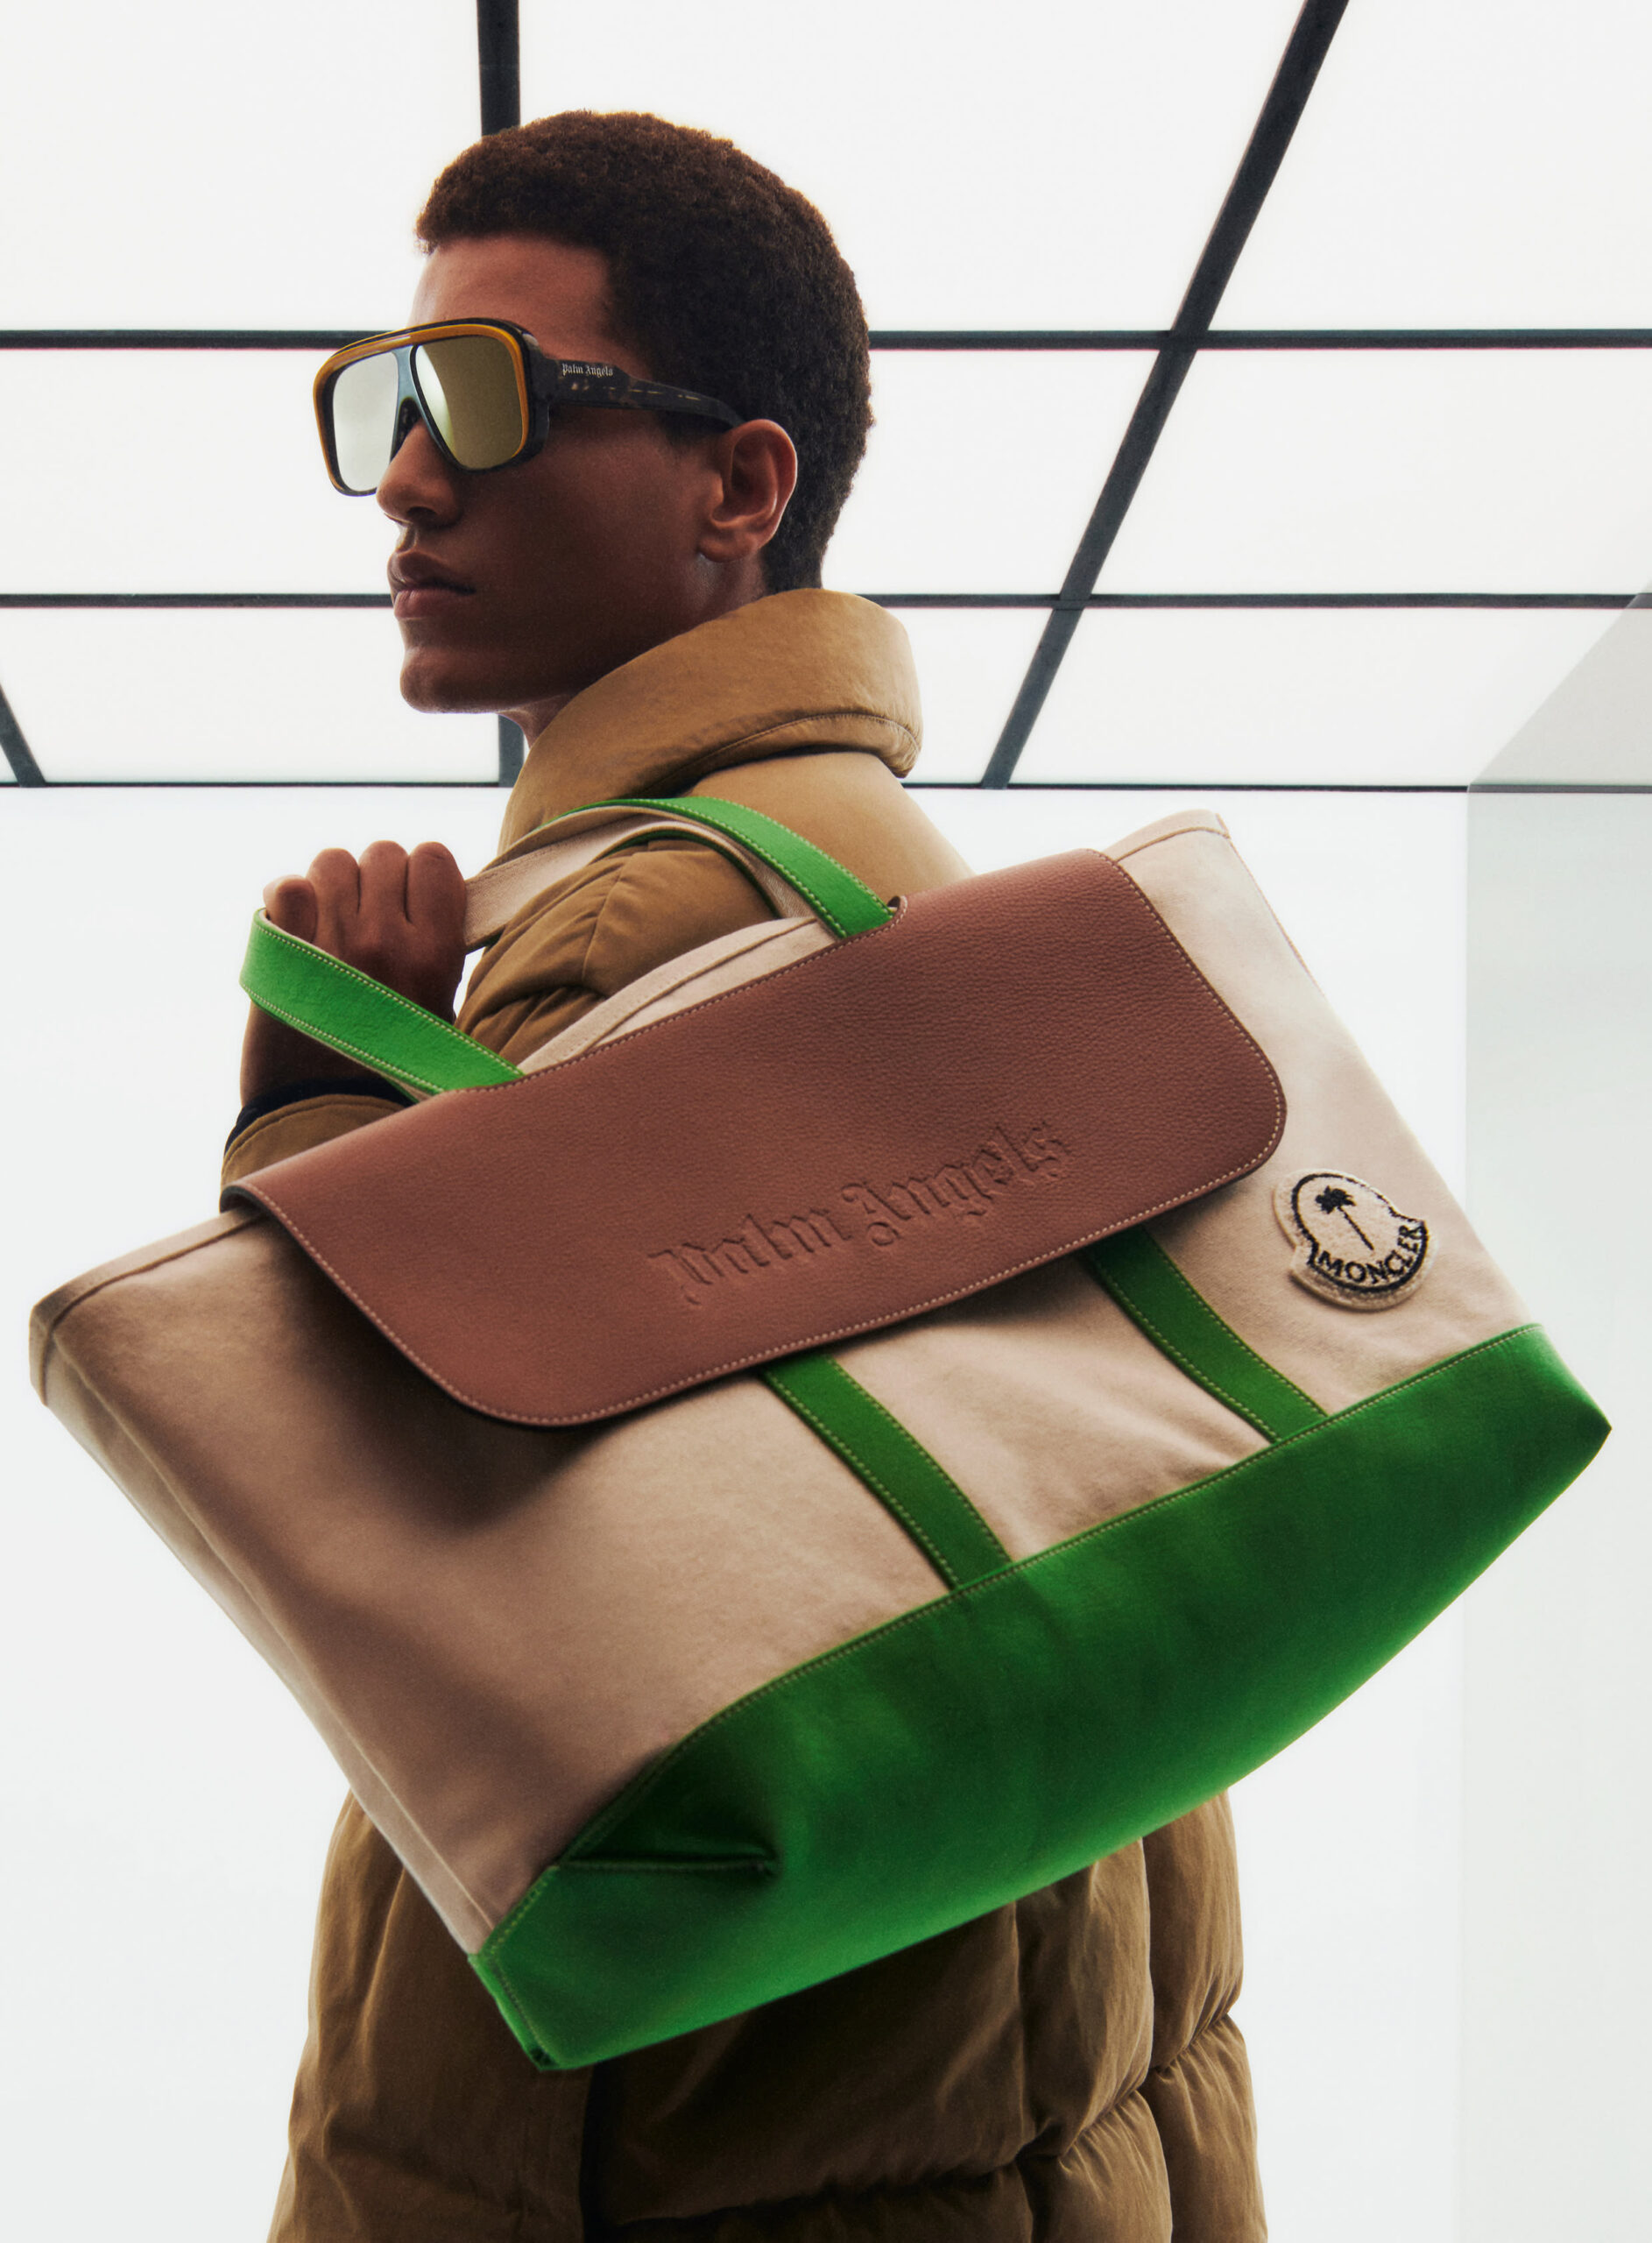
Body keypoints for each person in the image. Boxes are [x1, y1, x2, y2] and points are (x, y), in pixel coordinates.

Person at [227, 110, 1265, 2243]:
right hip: (973, 2006)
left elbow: (407, 1564)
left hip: (701, 2102)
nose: (405, 477)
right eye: (385, 401)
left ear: (739, 485)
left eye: (486, 398)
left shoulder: (640, 924)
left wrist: (311, 1124)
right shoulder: (882, 855)